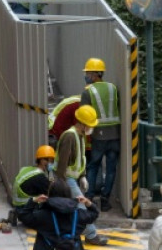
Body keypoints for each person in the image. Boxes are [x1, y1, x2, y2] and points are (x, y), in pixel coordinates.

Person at [55, 105, 108, 246]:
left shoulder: (80, 136)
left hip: (72, 179)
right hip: (67, 179)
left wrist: (82, 175)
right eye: (90, 125)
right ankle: (91, 235)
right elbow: (62, 163)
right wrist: (61, 184)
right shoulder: (70, 136)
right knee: (82, 206)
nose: (92, 128)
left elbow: (80, 159)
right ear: (83, 123)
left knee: (74, 208)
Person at [80, 58, 120, 212]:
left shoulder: (88, 91)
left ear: (94, 74)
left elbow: (84, 115)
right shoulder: (113, 88)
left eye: (88, 72)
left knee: (93, 166)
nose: (86, 75)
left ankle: (89, 198)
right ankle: (105, 200)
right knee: (111, 168)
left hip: (98, 136)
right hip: (115, 134)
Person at [16, 179, 100, 250]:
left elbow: (24, 216)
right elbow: (94, 214)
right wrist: (88, 203)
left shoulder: (42, 215)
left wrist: (33, 201)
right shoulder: (78, 214)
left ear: (50, 194)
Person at [11, 145, 55, 210]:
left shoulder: (26, 169)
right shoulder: (40, 177)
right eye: (47, 160)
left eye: (51, 161)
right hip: (25, 207)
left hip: (17, 205)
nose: (49, 163)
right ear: (41, 160)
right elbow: (51, 193)